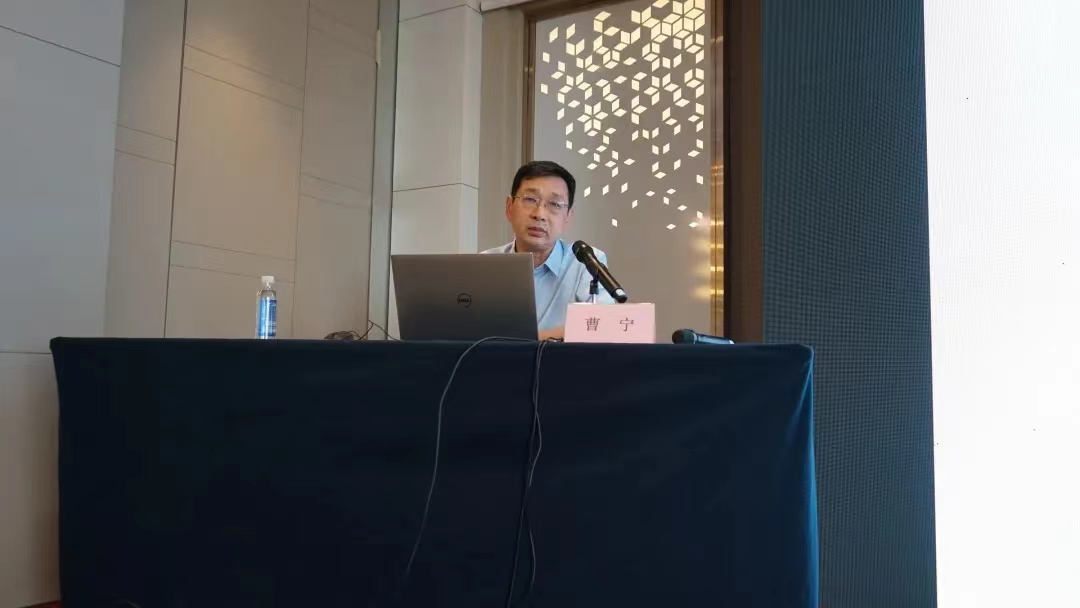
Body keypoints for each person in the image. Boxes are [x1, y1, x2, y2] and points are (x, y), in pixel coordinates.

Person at [482, 160, 614, 340]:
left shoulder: (585, 262)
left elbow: (602, 325)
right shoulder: (486, 263)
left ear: (567, 217)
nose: (540, 214)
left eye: (554, 204)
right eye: (530, 199)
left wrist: (521, 341)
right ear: (509, 207)